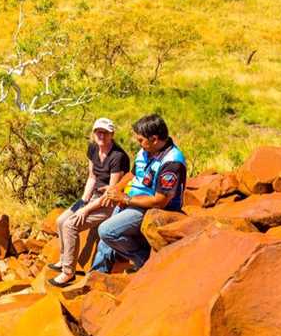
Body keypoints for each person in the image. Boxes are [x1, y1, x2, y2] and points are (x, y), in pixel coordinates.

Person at [91, 114, 187, 274]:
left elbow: (160, 201)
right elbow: (133, 173)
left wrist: (126, 199)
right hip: (132, 199)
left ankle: (145, 262)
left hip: (149, 206)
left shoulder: (172, 162)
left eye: (141, 140)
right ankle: (97, 274)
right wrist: (117, 189)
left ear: (154, 139)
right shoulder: (147, 150)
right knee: (105, 238)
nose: (139, 144)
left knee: (107, 231)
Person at [48, 117, 130, 287]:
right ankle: (64, 260)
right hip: (92, 196)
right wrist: (82, 202)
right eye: (98, 131)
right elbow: (92, 177)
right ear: (93, 133)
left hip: (109, 202)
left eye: (105, 132)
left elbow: (112, 193)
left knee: (71, 225)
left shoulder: (118, 156)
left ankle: (68, 272)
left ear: (112, 134)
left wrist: (85, 211)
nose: (101, 135)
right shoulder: (93, 148)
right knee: (61, 220)